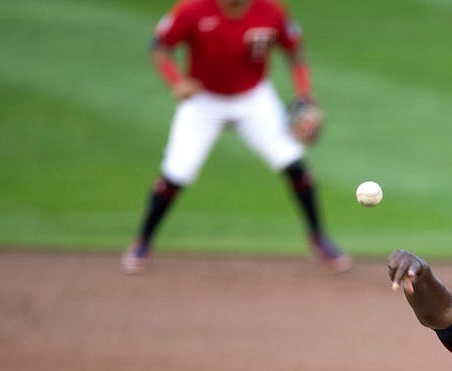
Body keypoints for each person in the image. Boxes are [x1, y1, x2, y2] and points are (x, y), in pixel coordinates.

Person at [121, 0, 349, 274]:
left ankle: (319, 238)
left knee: (293, 162)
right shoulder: (192, 9)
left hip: (253, 97)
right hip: (203, 99)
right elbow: (159, 47)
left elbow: (295, 51)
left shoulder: (271, 10)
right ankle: (142, 241)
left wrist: (304, 93)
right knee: (177, 172)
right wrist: (176, 81)